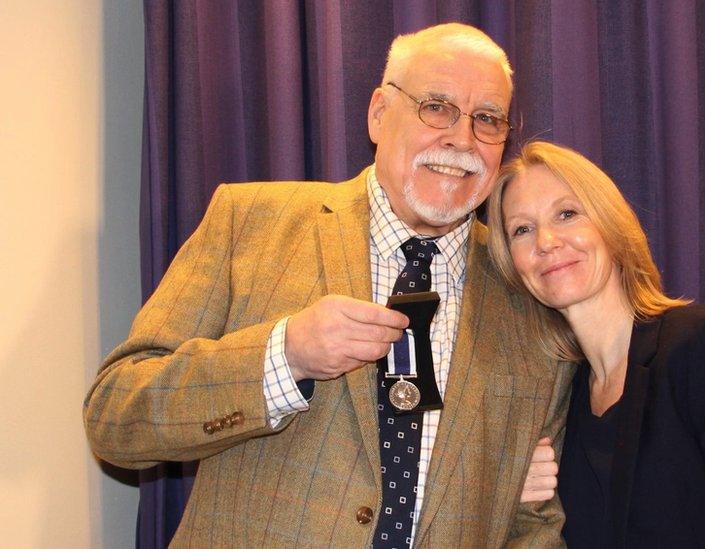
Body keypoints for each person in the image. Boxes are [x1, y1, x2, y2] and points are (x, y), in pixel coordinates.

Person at [84, 24, 572, 548]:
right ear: (380, 114)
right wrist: (283, 357)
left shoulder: (530, 298)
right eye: (436, 106)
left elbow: (533, 526)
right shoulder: (248, 223)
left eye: (488, 119)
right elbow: (116, 420)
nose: (461, 138)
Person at [487, 141, 705, 547]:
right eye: (522, 230)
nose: (546, 242)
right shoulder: (558, 397)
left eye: (567, 214)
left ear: (611, 226)